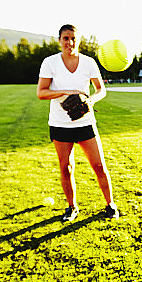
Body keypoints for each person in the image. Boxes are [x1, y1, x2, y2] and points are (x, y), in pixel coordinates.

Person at [37, 24, 119, 222]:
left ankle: (110, 205)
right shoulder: (50, 62)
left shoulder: (88, 62)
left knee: (99, 165)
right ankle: (72, 207)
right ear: (59, 40)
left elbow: (100, 89)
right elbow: (41, 92)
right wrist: (67, 93)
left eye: (73, 38)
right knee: (66, 167)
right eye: (66, 38)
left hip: (85, 123)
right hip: (60, 124)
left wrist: (90, 100)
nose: (70, 42)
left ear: (78, 40)